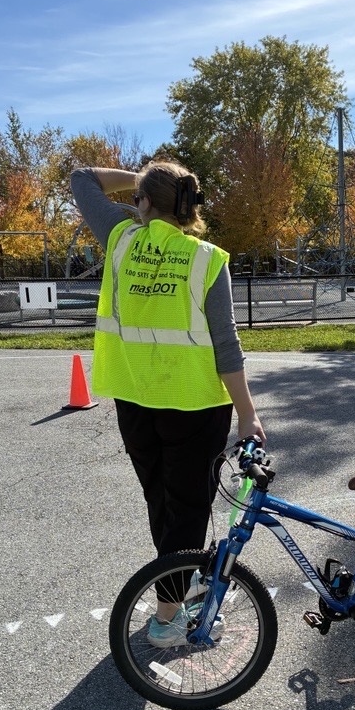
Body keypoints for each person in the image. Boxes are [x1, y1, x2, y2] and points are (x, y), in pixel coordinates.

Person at [70, 159, 265, 648]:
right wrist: (247, 413)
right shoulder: (205, 258)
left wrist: (137, 181)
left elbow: (82, 178)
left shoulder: (120, 237)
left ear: (142, 202)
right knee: (188, 506)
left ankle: (174, 584)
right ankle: (167, 616)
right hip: (195, 403)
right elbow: (226, 343)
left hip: (135, 398)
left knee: (160, 500)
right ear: (187, 208)